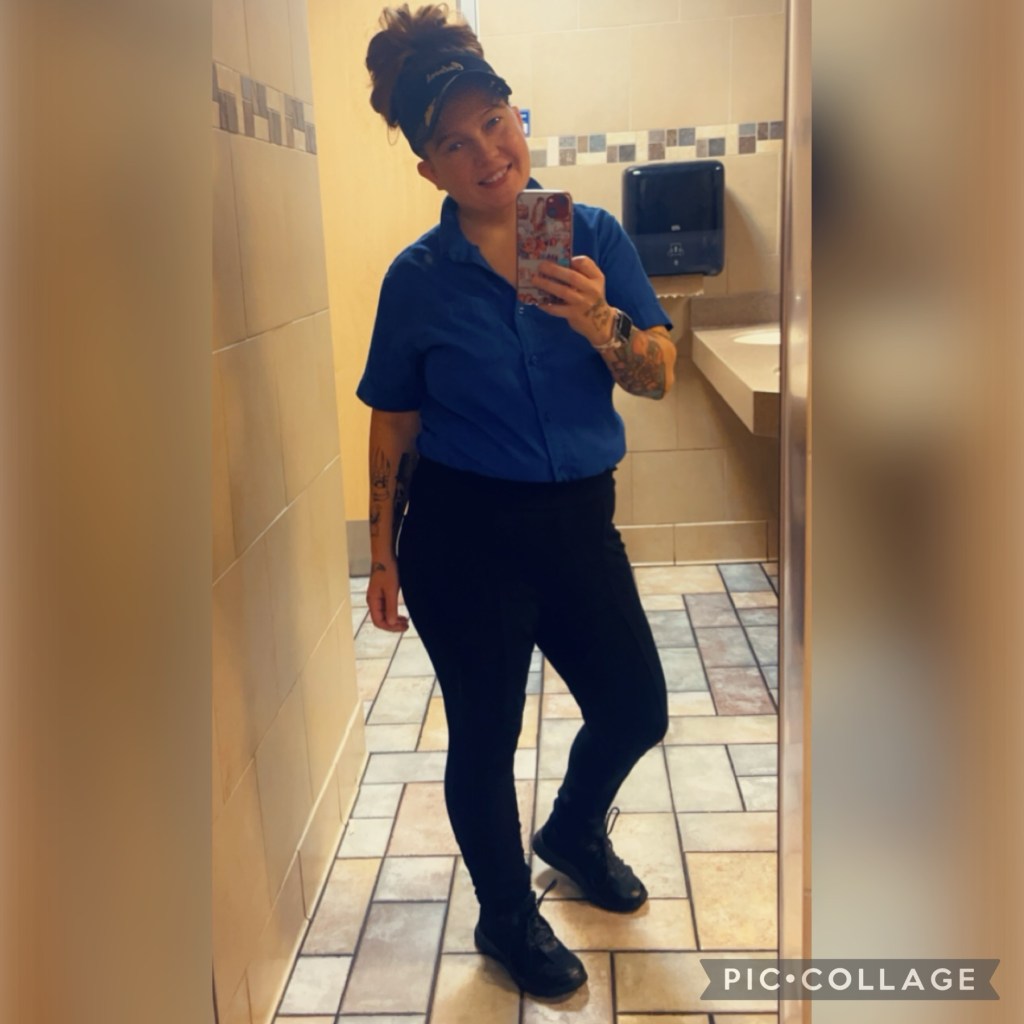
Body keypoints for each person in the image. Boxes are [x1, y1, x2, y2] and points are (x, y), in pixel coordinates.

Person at [359, 3, 675, 1000]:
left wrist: (601, 324)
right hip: (463, 536)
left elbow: (659, 374)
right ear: (430, 170)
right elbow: (393, 426)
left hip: (578, 521)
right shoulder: (416, 281)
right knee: (484, 737)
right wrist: (381, 554)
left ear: (515, 115)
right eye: (454, 143)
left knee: (635, 706)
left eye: (492, 122)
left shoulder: (592, 236)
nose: (486, 153)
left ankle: (572, 829)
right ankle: (504, 915)